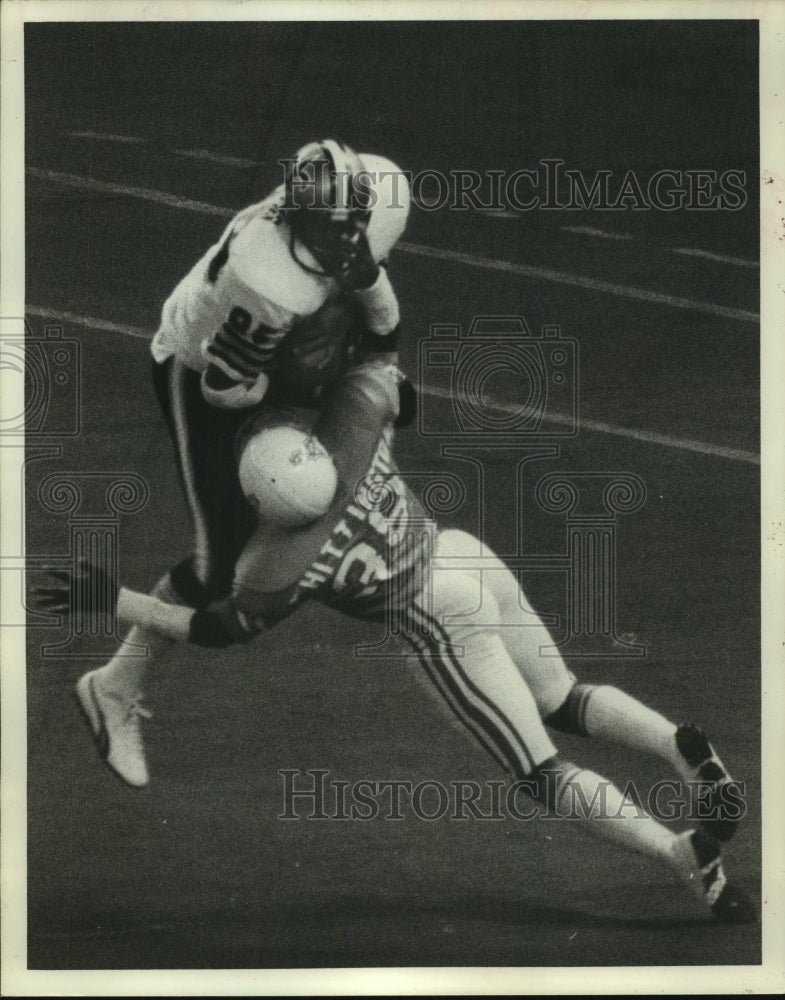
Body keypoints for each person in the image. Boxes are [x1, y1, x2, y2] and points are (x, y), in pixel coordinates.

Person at [37, 334, 754, 923]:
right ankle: (679, 746)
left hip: (437, 620)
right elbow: (395, 389)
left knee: (542, 772)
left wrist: (114, 599)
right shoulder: (352, 428)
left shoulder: (275, 563)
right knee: (563, 696)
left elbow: (213, 629)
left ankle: (678, 858)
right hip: (463, 554)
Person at [71, 139, 411, 787]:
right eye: (334, 236)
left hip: (287, 340)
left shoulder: (379, 190)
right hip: (206, 370)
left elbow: (376, 308)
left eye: (356, 232)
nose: (348, 245)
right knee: (220, 565)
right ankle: (113, 687)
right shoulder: (267, 280)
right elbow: (225, 391)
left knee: (385, 397)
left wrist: (366, 285)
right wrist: (293, 389)